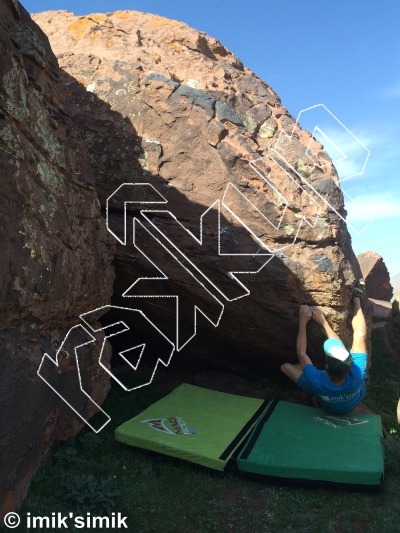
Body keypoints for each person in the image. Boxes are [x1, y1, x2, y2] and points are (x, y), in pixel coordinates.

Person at [281, 279, 368, 415]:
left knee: (285, 367)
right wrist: (324, 323)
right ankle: (357, 298)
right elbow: (302, 354)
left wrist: (303, 321)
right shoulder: (357, 374)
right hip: (351, 403)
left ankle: (313, 367)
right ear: (351, 364)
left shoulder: (317, 380)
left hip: (322, 392)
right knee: (360, 334)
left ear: (326, 366)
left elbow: (301, 353)